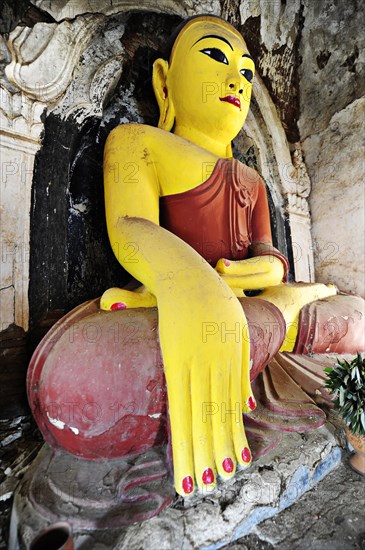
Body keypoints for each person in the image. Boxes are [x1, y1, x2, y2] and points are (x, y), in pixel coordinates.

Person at [100, 15, 336, 496]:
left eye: (247, 72)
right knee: (89, 370)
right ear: (165, 81)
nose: (237, 81)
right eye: (215, 57)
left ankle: (287, 307)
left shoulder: (254, 181)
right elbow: (129, 228)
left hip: (243, 295)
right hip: (184, 294)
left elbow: (271, 261)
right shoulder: (138, 142)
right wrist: (195, 285)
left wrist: (232, 275)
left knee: (354, 314)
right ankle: (286, 312)